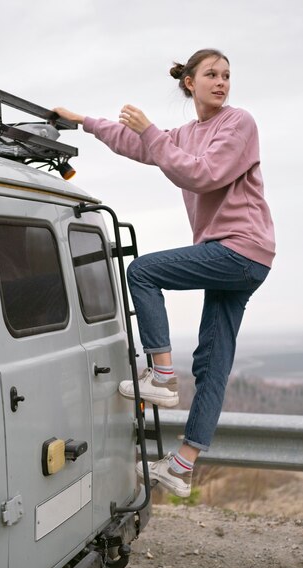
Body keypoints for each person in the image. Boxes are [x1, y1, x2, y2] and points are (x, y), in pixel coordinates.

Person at [53, 48, 275, 498]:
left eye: (227, 75)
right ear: (190, 83)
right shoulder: (184, 133)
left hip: (241, 249)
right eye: (212, 74)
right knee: (213, 364)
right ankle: (182, 464)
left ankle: (161, 375)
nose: (222, 82)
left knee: (143, 271)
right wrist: (81, 121)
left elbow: (203, 175)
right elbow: (135, 142)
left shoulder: (239, 124)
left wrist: (151, 132)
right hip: (233, 257)